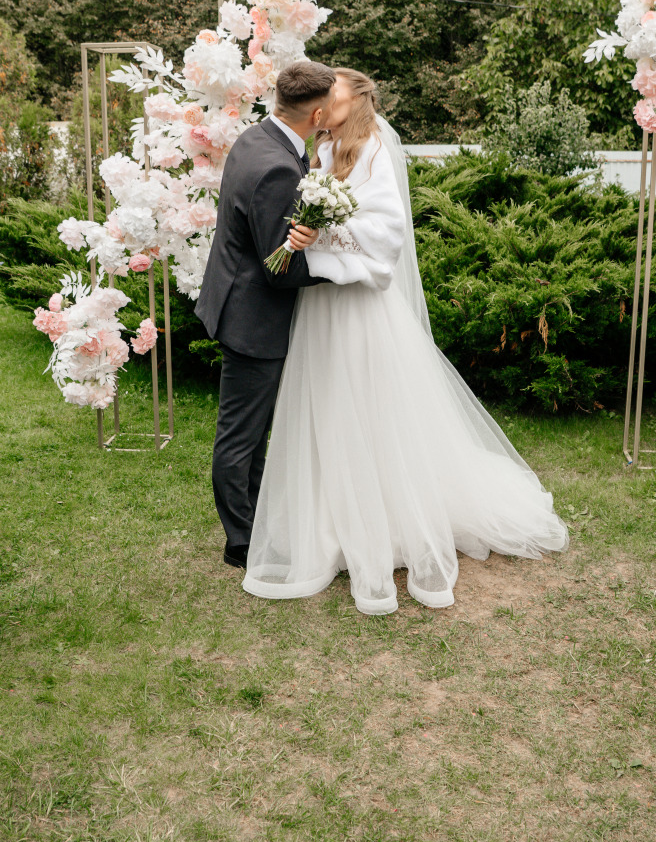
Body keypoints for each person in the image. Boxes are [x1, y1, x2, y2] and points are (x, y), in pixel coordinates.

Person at [242, 68, 569, 614]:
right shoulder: (322, 148)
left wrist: (324, 232)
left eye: (333, 94)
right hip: (321, 304)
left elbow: (387, 233)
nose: (324, 102)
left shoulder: (372, 149)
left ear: (354, 101)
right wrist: (303, 234)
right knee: (327, 406)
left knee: (369, 409)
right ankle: (328, 522)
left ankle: (391, 523)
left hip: (360, 307)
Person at [195, 60, 335, 570]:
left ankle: (253, 523)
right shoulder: (278, 167)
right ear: (317, 115)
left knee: (250, 432)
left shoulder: (257, 138)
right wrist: (344, 271)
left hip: (236, 299)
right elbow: (282, 268)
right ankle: (240, 541)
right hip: (253, 318)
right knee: (241, 436)